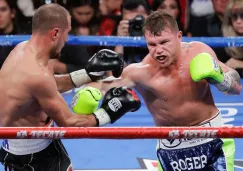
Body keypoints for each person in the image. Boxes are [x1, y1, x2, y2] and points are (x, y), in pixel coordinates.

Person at [55, 10, 242, 171]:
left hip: (213, 141)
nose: (158, 50)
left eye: (164, 42)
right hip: (172, 149)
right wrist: (86, 94)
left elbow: (236, 87)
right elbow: (104, 85)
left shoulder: (199, 52)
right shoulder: (141, 73)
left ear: (179, 37)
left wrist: (221, 79)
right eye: (152, 44)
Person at [0, 3, 141, 171]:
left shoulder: (24, 48)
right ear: (55, 33)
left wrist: (91, 74)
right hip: (30, 157)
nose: (67, 40)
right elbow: (70, 124)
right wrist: (108, 112)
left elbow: (51, 85)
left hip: (41, 143)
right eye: (67, 33)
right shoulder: (36, 75)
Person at [222, 0, 243, 77]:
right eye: (234, 16)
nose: (238, 21)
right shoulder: (223, 40)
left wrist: (240, 64)